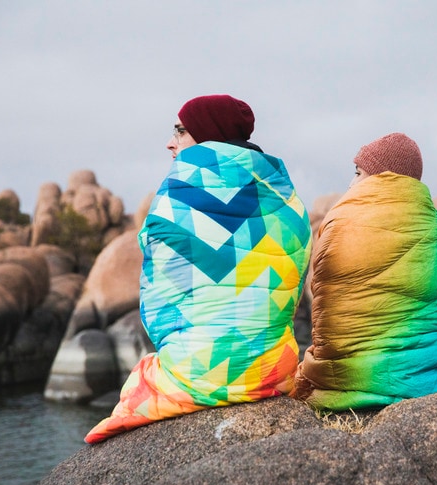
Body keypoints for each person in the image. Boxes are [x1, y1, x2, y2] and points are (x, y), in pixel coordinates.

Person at [85, 94, 312, 443]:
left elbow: (156, 304)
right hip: (275, 373)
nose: (170, 143)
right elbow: (292, 292)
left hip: (197, 373)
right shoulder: (287, 199)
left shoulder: (178, 195)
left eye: (180, 132)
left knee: (140, 380)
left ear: (207, 135)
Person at [294, 132, 437, 411]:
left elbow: (323, 312)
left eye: (358, 173)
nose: (352, 182)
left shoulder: (341, 219)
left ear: (380, 177)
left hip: (350, 382)